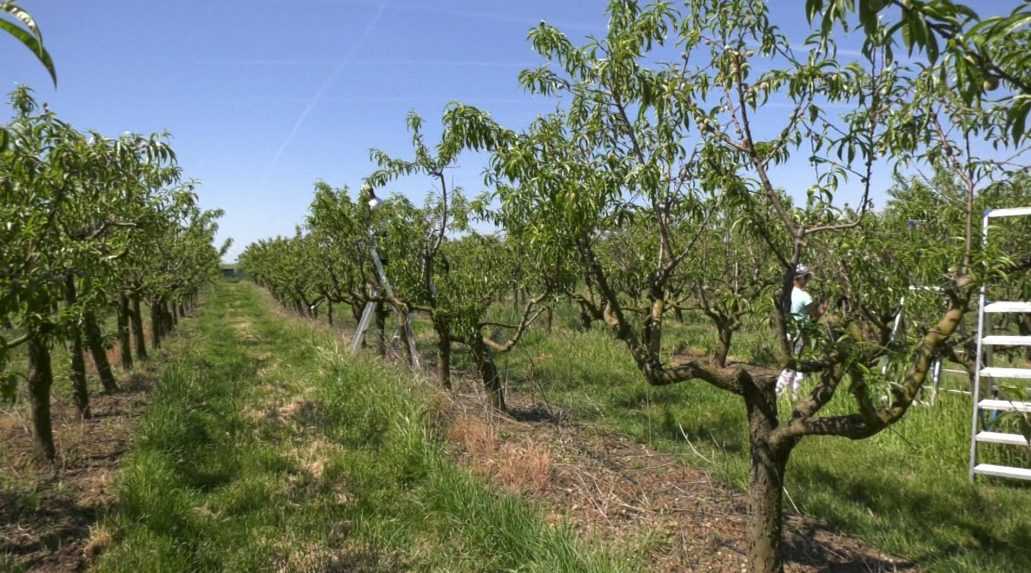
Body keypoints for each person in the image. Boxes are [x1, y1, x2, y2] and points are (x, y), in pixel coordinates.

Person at [776, 265, 823, 399]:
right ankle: (792, 394)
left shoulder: (785, 294)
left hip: (787, 334)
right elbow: (815, 315)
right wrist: (823, 309)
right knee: (799, 364)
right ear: (800, 279)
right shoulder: (804, 296)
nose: (807, 281)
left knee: (790, 363)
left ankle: (784, 393)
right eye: (806, 277)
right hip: (800, 334)